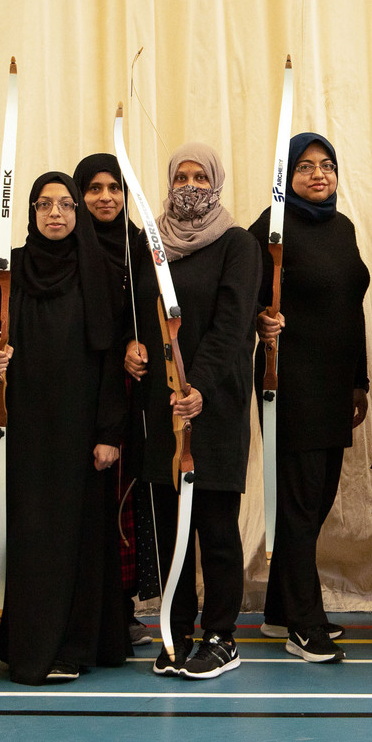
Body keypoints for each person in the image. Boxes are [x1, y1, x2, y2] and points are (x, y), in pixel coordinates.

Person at [0, 170, 129, 684]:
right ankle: (28, 644)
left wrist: (108, 432)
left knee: (80, 537)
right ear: (31, 213)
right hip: (26, 433)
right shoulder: (4, 273)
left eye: (64, 204)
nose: (55, 213)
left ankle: (74, 647)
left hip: (83, 433)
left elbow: (111, 360)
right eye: (43, 205)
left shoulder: (98, 271)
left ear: (77, 213)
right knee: (33, 538)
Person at [126, 143, 260, 679]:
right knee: (169, 526)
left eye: (198, 175)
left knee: (215, 527)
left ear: (216, 181)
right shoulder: (149, 242)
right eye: (179, 176)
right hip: (160, 408)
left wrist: (199, 385)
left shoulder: (237, 244)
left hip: (216, 403)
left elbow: (233, 324)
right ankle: (176, 632)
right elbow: (134, 309)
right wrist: (130, 347)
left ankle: (222, 636)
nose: (188, 185)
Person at [249, 133, 371, 663]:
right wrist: (262, 320)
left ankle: (279, 609)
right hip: (290, 382)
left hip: (335, 383)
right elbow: (244, 297)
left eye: (327, 165)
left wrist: (359, 381)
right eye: (304, 167)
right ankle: (304, 623)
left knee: (315, 502)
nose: (318, 175)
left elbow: (351, 308)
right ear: (286, 178)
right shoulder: (269, 229)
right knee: (298, 506)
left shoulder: (341, 228)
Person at [75, 152, 158, 648]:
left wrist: (135, 341)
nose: (106, 197)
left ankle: (120, 607)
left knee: (122, 499)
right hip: (77, 388)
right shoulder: (67, 246)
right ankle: (86, 603)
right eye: (95, 189)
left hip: (125, 389)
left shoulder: (139, 245)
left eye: (115, 188)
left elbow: (150, 307)